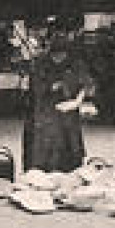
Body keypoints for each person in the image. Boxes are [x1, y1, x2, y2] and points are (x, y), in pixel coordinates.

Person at [22, 19, 96, 173]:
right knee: (45, 159)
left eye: (62, 56)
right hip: (44, 116)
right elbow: (36, 90)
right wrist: (55, 87)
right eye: (57, 56)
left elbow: (87, 84)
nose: (59, 59)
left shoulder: (75, 61)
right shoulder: (40, 63)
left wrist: (77, 101)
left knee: (70, 157)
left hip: (68, 115)